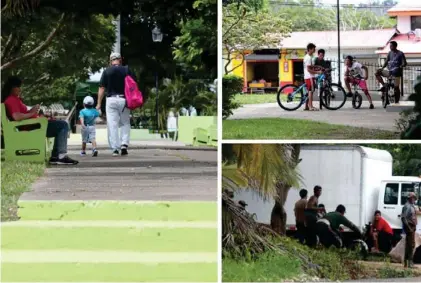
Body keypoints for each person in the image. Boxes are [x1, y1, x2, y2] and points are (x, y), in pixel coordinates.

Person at [2, 76, 78, 165]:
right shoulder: (11, 100)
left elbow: (21, 114)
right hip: (32, 127)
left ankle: (55, 157)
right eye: (18, 87)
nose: (20, 89)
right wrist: (32, 113)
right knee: (62, 125)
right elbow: (16, 117)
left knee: (60, 125)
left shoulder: (14, 99)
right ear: (12, 87)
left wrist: (32, 110)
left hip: (32, 125)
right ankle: (60, 156)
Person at [96, 52, 136, 156]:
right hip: (124, 100)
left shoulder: (106, 71)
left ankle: (115, 149)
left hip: (111, 100)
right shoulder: (127, 70)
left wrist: (99, 103)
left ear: (110, 61)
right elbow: (133, 85)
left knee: (112, 124)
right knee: (125, 122)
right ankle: (124, 144)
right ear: (121, 60)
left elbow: (101, 88)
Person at [401, 192, 419, 268]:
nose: (414, 200)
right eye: (414, 198)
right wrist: (409, 228)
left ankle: (406, 263)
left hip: (412, 227)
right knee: (411, 245)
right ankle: (410, 263)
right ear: (411, 198)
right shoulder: (407, 206)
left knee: (409, 245)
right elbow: (404, 218)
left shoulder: (411, 206)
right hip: (410, 228)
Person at [303, 43, 324, 111]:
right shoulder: (308, 58)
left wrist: (317, 66)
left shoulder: (308, 57)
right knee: (310, 91)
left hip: (308, 76)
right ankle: (311, 106)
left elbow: (310, 66)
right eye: (313, 49)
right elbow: (309, 69)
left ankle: (306, 106)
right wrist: (318, 72)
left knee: (308, 91)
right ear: (310, 49)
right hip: (309, 76)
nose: (314, 50)